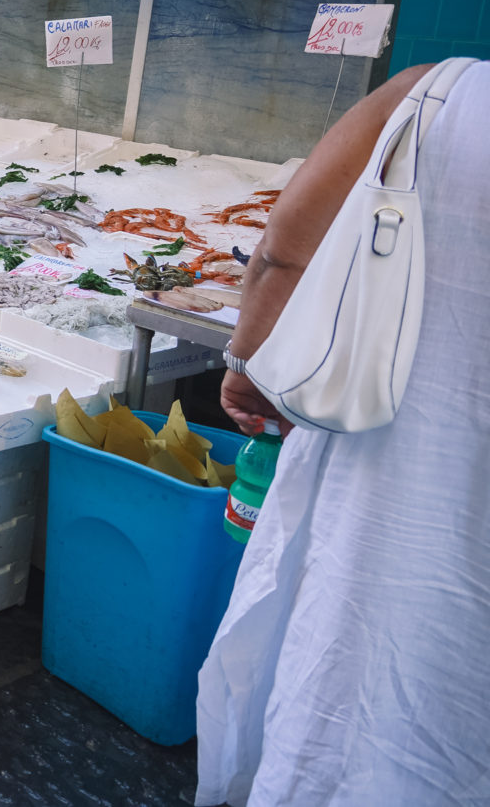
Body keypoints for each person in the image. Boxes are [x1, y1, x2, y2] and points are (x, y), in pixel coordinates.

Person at [196, 61, 489, 807]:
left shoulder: (440, 92)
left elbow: (286, 249)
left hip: (389, 473)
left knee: (353, 671)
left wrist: (247, 367)